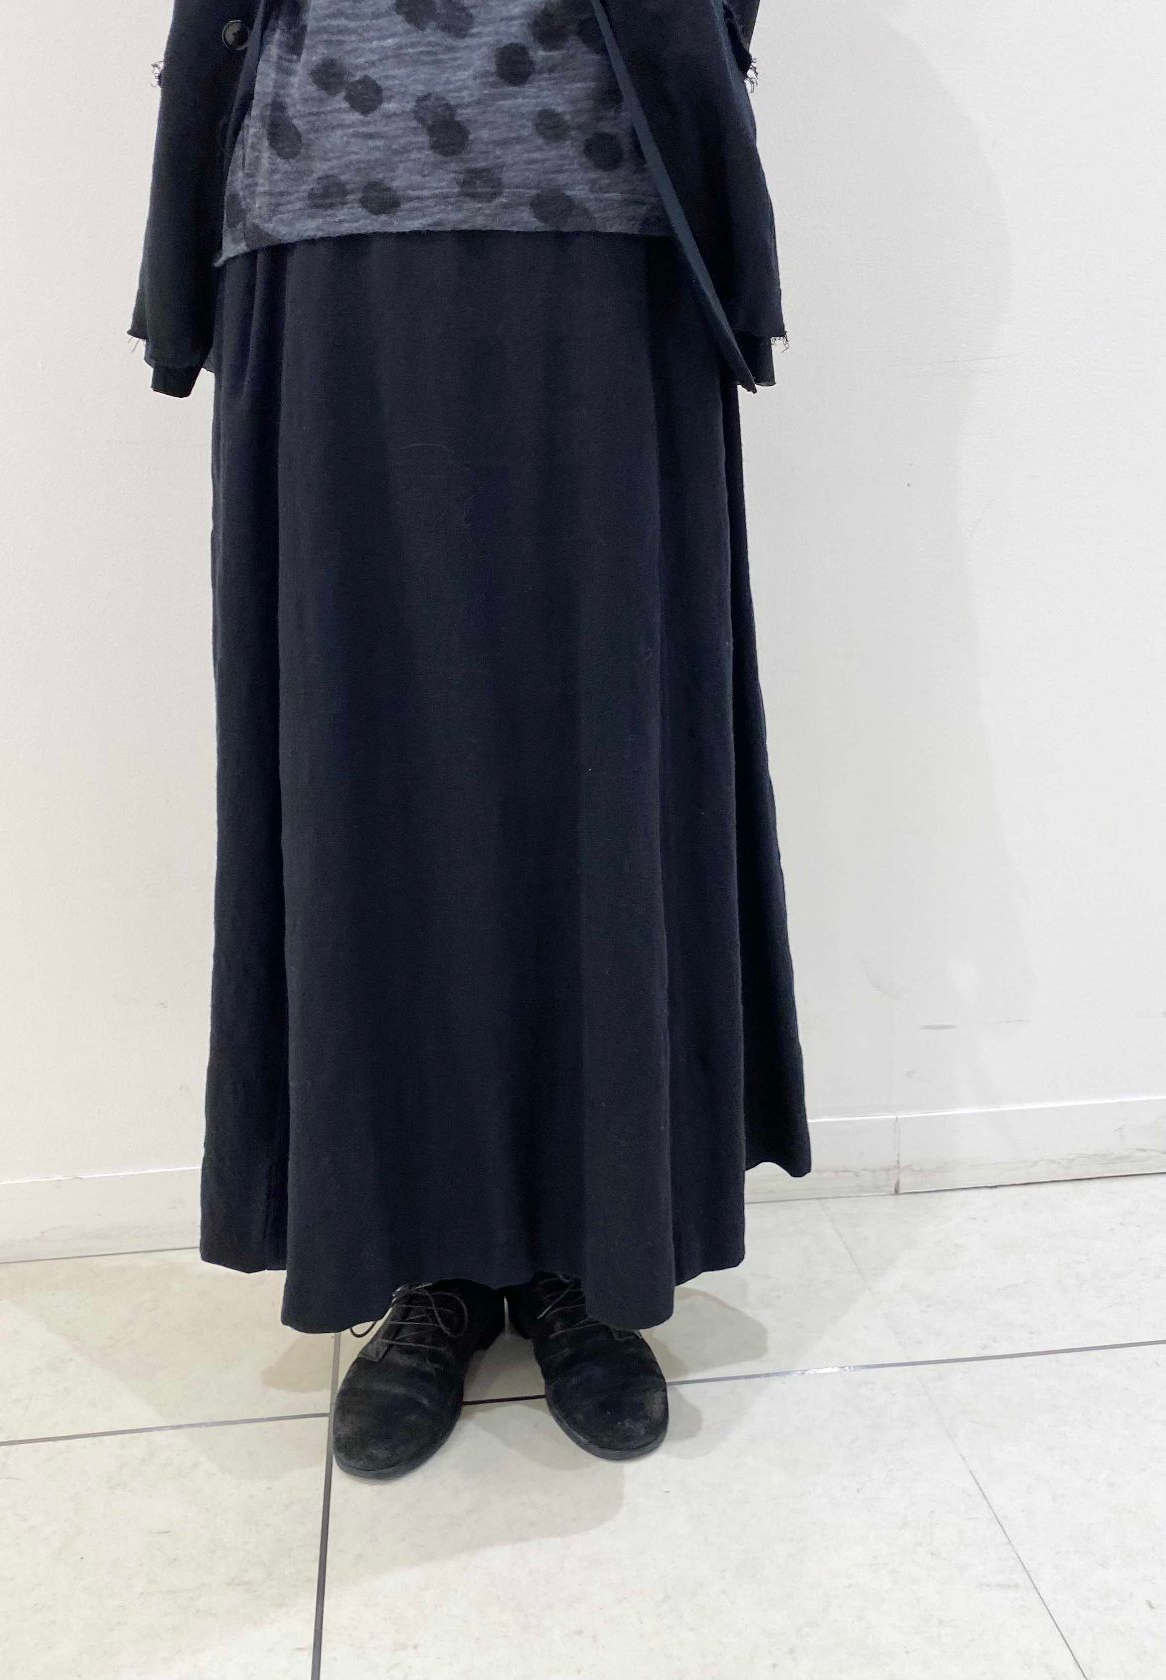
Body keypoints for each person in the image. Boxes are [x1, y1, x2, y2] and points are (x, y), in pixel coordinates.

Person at [130, 0, 811, 1480]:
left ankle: (591, 1248)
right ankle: (421, 1262)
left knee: (606, 751)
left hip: (604, 205)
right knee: (362, 760)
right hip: (328, 205)